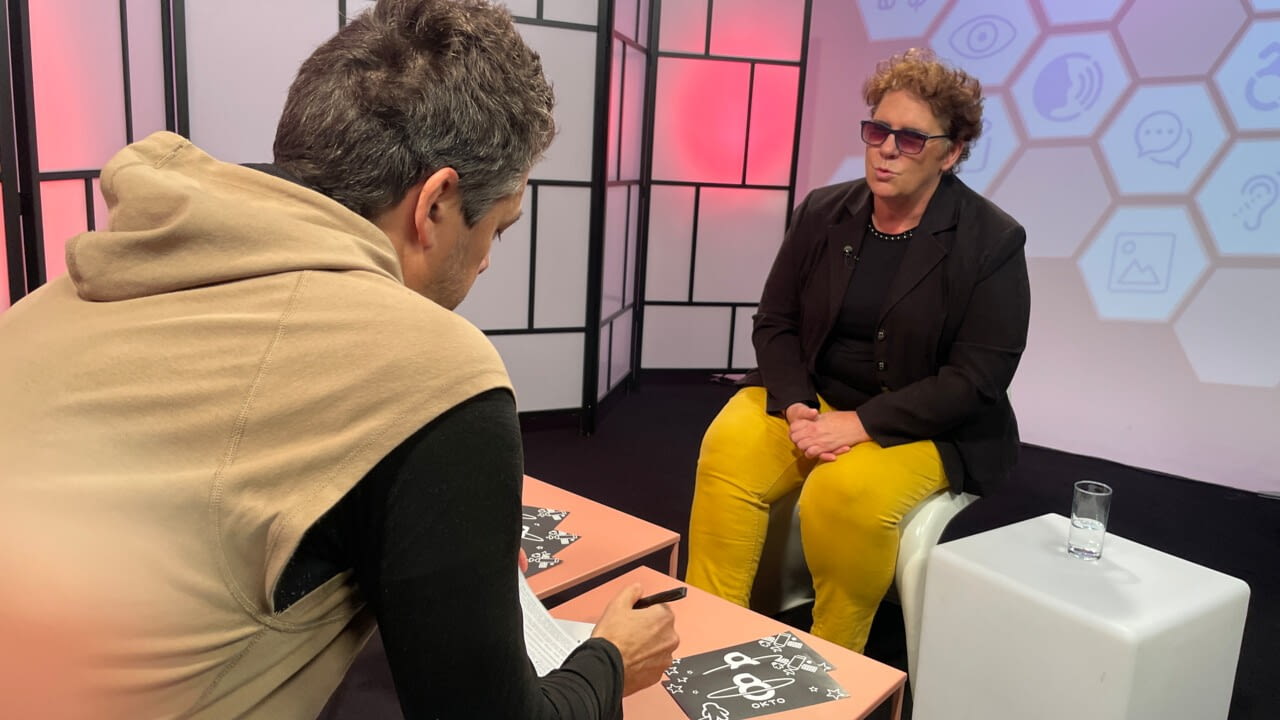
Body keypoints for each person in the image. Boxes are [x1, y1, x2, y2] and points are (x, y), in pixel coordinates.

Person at [0, 1, 677, 718]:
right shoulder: (431, 368)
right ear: (436, 205)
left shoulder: (42, 307)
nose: (483, 263)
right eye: (498, 230)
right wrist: (609, 661)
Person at [685, 48, 1030, 654]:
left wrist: (861, 424)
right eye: (878, 131)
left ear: (951, 153)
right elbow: (776, 322)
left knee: (841, 493)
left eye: (911, 139)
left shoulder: (991, 240)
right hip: (815, 399)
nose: (887, 150)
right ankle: (707, 636)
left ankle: (834, 661)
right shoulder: (824, 212)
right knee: (728, 445)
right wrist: (795, 403)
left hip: (927, 424)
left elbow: (977, 378)